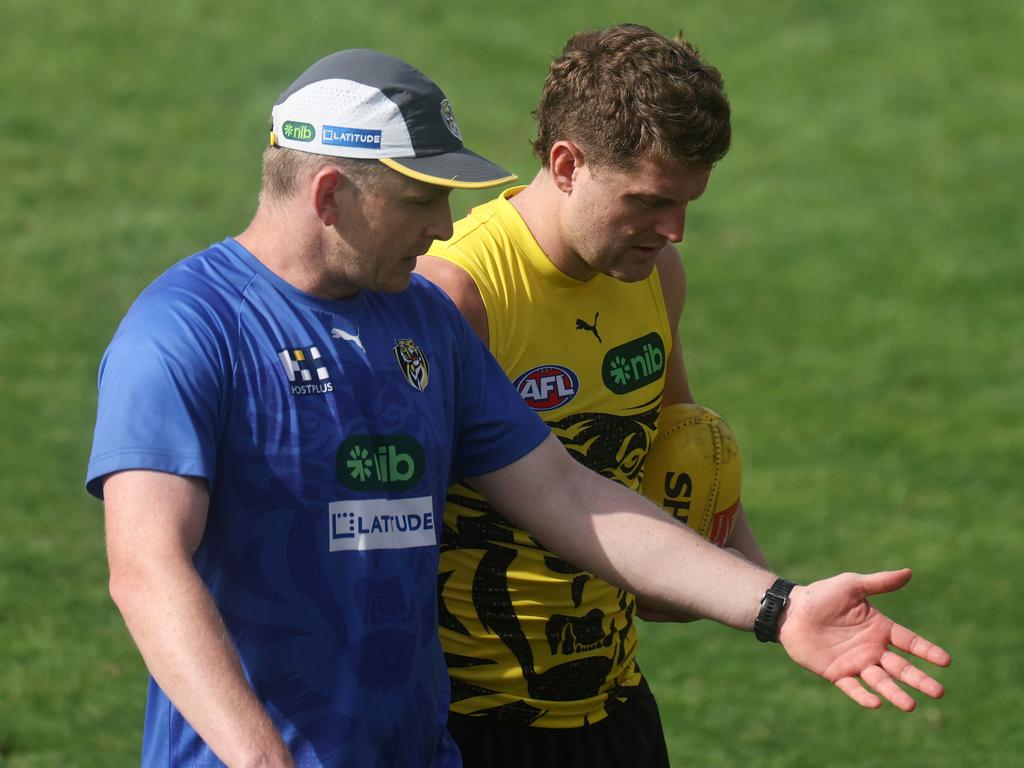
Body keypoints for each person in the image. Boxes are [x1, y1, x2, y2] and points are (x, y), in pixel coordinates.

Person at [87, 47, 949, 768]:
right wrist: (260, 757)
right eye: (422, 197)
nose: (445, 222)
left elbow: (570, 495)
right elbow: (147, 567)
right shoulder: (185, 331)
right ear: (329, 196)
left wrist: (778, 606)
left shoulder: (421, 323)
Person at [413, 24, 892, 767]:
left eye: (688, 203)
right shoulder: (461, 297)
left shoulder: (654, 276)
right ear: (567, 164)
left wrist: (780, 598)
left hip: (613, 706)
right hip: (465, 724)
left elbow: (679, 459)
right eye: (649, 201)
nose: (674, 232)